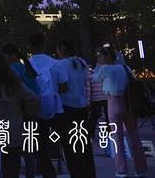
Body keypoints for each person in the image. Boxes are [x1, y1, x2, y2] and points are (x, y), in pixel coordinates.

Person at [94, 45, 149, 178]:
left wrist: (98, 64)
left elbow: (95, 77)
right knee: (134, 137)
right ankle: (141, 169)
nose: (99, 58)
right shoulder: (125, 68)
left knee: (117, 139)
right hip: (128, 103)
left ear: (106, 56)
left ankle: (122, 170)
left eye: (100, 56)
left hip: (113, 102)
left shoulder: (106, 69)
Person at [27, 31, 68, 178]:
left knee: (40, 144)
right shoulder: (56, 64)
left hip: (35, 111)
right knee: (63, 141)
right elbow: (64, 88)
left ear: (30, 46)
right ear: (45, 43)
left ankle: (45, 170)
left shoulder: (27, 65)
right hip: (56, 108)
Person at [55, 37, 95, 178]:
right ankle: (89, 172)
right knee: (83, 142)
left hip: (68, 107)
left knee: (70, 145)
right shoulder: (81, 62)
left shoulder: (61, 65)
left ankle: (77, 173)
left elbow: (61, 86)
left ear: (61, 50)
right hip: (82, 106)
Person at [1, 43, 38, 178]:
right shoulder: (27, 69)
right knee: (29, 153)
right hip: (30, 114)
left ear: (12, 56)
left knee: (11, 151)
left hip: (16, 114)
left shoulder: (12, 71)